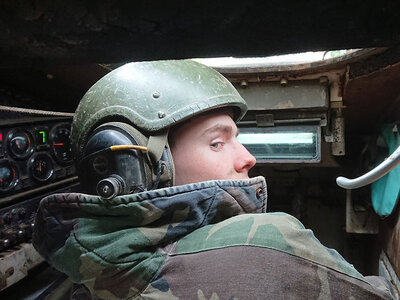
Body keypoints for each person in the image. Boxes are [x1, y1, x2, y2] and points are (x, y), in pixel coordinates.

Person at [33, 60, 394, 299]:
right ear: (135, 166)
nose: (248, 158)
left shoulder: (74, 271)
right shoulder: (265, 242)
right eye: (217, 142)